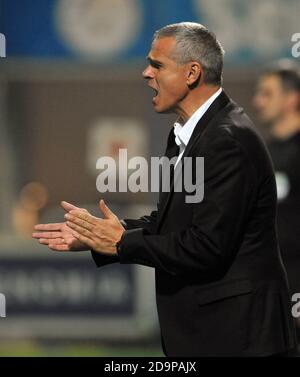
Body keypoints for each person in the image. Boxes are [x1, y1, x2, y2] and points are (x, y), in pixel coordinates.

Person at [32, 22, 297, 357]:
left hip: (240, 338)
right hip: (211, 334)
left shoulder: (227, 140)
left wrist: (121, 244)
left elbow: (205, 246)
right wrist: (101, 233)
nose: (146, 73)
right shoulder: (186, 134)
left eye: (157, 65)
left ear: (192, 73)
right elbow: (174, 223)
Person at [253, 63, 300, 343]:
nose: (258, 101)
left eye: (267, 94)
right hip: (270, 283)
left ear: (292, 99)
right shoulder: (261, 152)